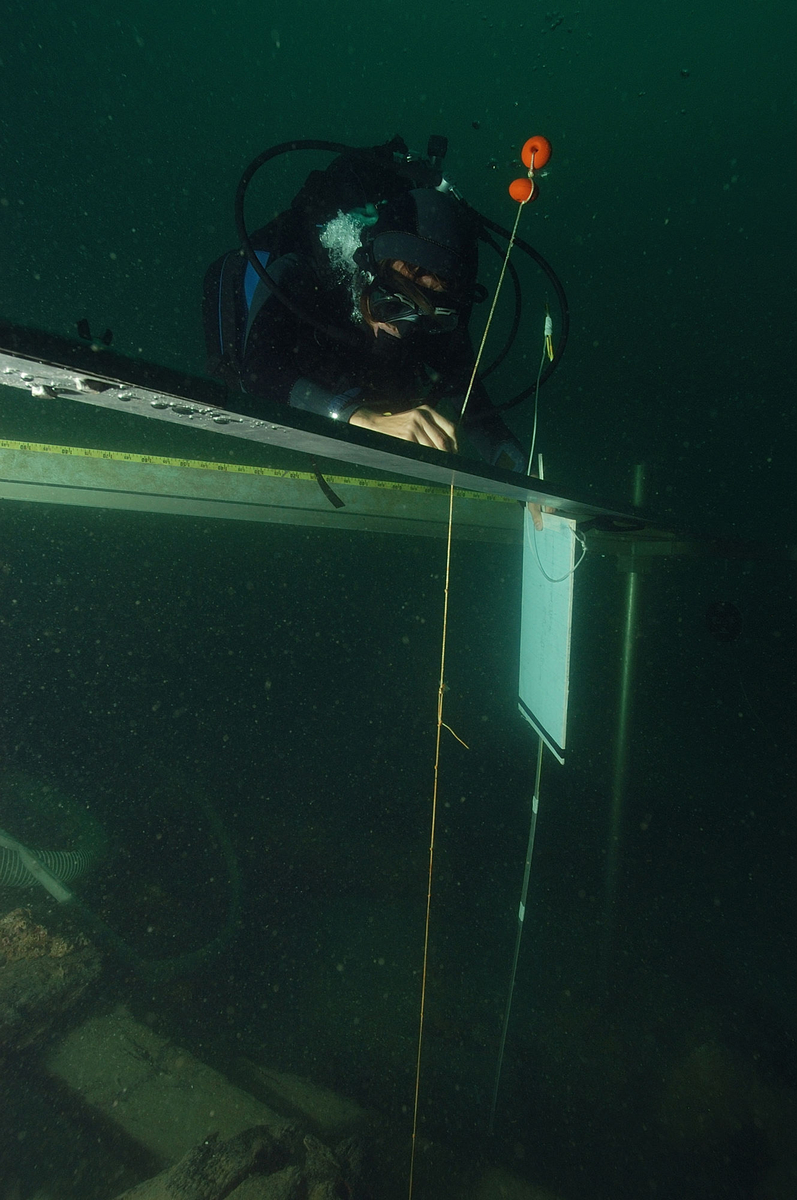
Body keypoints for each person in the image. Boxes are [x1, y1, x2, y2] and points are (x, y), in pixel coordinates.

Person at [203, 137, 526, 474]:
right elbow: (260, 374)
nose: (402, 330)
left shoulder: (436, 321)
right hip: (304, 370)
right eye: (392, 307)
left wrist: (516, 465)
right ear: (369, 276)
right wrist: (362, 419)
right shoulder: (303, 275)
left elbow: (476, 410)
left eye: (428, 319)